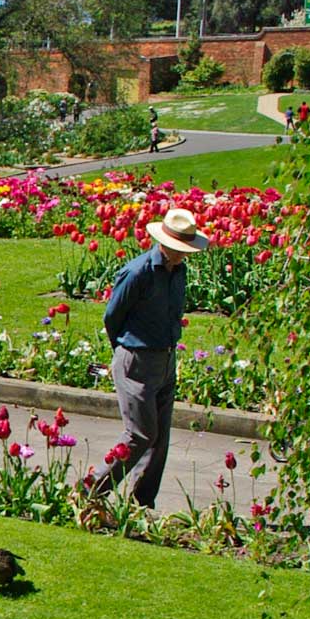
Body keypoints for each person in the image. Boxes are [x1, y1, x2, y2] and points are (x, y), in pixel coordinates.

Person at [93, 206, 210, 508]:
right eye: (180, 249)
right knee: (141, 434)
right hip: (137, 359)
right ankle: (89, 491)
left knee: (159, 439)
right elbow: (112, 317)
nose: (184, 255)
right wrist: (126, 352)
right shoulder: (138, 272)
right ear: (165, 243)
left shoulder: (179, 271)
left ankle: (141, 504)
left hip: (166, 360)